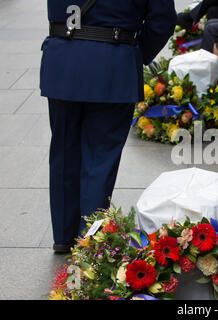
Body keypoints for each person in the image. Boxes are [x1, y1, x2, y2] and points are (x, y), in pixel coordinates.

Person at [40, 0, 177, 253]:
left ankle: (63, 235)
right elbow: (163, 19)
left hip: (62, 61)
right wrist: (136, 52)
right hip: (113, 61)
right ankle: (90, 239)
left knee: (63, 150)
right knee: (100, 157)